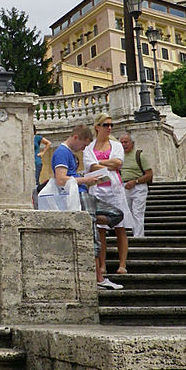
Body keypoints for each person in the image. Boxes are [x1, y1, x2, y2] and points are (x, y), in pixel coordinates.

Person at [51, 123, 123, 290]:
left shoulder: (68, 153)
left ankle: (88, 219)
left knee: (116, 214)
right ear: (76, 137)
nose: (84, 149)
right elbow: (61, 179)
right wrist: (86, 180)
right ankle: (98, 278)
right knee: (93, 236)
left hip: (82, 194)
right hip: (79, 195)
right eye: (83, 145)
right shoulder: (62, 152)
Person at [83, 113, 131, 277]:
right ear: (97, 127)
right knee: (100, 229)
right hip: (98, 190)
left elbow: (118, 163)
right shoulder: (89, 148)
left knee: (120, 227)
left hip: (114, 189)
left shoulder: (116, 145)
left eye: (111, 125)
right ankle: (102, 264)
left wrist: (100, 163)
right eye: (106, 125)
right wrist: (108, 164)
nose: (109, 128)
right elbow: (90, 166)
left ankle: (122, 264)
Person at [118, 131, 153, 238]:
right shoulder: (119, 157)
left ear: (132, 143)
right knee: (127, 213)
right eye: (121, 142)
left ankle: (138, 237)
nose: (124, 145)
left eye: (126, 142)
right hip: (124, 187)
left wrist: (135, 182)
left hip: (138, 187)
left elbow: (149, 174)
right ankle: (132, 234)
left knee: (137, 213)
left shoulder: (139, 155)